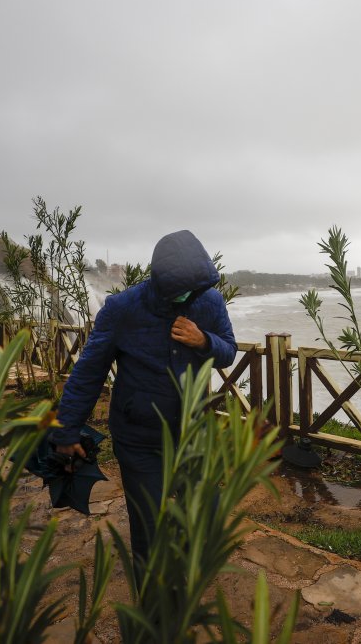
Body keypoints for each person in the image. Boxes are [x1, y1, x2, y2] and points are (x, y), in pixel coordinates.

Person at [49, 229, 237, 570]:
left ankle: (191, 581)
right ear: (159, 282)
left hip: (192, 436)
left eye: (192, 291)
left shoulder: (209, 302)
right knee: (148, 528)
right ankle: (150, 597)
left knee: (205, 517)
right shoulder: (123, 309)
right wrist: (66, 431)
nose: (186, 298)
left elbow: (228, 352)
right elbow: (89, 370)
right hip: (139, 440)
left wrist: (204, 341)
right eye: (179, 292)